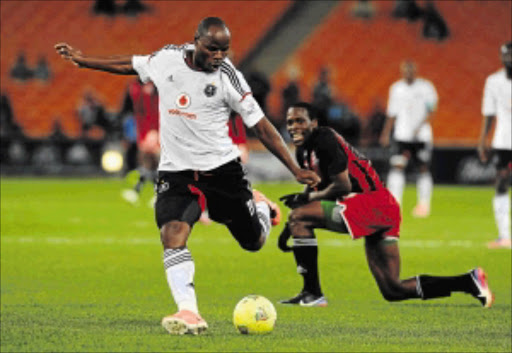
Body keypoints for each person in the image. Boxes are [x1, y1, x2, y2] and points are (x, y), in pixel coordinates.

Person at [55, 16, 319, 335]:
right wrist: (85, 61)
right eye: (212, 49)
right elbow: (132, 63)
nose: (219, 56)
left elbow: (262, 127)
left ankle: (261, 208)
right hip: (177, 172)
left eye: (224, 50)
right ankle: (189, 312)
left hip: (222, 173)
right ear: (196, 42)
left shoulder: (229, 79)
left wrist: (294, 168)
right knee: (172, 233)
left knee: (253, 241)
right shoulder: (167, 59)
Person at [277, 102, 494, 309]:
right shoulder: (304, 151)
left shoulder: (324, 138)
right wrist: (294, 221)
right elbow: (314, 188)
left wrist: (301, 211)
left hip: (371, 204)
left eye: (299, 121)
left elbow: (342, 186)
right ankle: (468, 281)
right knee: (393, 289)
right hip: (380, 207)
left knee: (301, 216)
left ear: (314, 123)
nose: (293, 127)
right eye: (289, 122)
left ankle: (312, 293)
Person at [380, 60, 438, 218]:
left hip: (421, 136)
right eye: (405, 70)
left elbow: (432, 110)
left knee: (423, 168)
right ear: (402, 71)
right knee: (397, 166)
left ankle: (424, 205)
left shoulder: (426, 87)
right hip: (402, 135)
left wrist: (421, 126)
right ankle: (394, 203)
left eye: (411, 70)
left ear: (415, 71)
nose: (408, 73)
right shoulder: (396, 88)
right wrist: (386, 133)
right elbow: (392, 113)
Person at [477, 41, 512, 249]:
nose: (509, 60)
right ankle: (504, 236)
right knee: (501, 183)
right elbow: (488, 114)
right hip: (503, 142)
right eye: (506, 56)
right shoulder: (493, 81)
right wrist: (483, 141)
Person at [119, 79, 160, 207]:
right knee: (149, 164)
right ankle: (141, 192)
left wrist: (155, 131)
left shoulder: (155, 87)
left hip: (156, 128)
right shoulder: (138, 87)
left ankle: (141, 192)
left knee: (155, 162)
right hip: (145, 128)